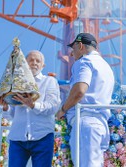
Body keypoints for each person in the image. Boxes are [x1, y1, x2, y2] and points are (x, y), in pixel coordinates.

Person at [56, 33, 115, 167]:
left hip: (86, 123)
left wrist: (63, 109)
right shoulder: (106, 68)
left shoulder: (84, 62)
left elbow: (80, 90)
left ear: (80, 45)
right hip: (101, 124)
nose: (72, 54)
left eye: (73, 49)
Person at [0, 50, 61, 167]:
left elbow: (53, 106)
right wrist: (5, 108)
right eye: (31, 60)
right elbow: (12, 114)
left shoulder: (50, 81)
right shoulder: (15, 84)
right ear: (25, 63)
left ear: (43, 65)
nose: (34, 63)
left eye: (38, 61)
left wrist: (33, 105)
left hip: (43, 136)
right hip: (18, 138)